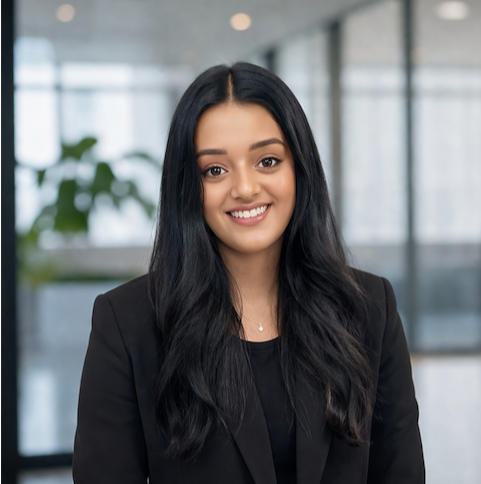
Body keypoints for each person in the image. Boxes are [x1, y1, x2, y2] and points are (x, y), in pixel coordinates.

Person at [73, 62, 425, 484]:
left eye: (268, 161)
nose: (244, 188)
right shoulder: (127, 324)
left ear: (299, 168)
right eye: (215, 170)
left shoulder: (370, 309)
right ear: (189, 186)